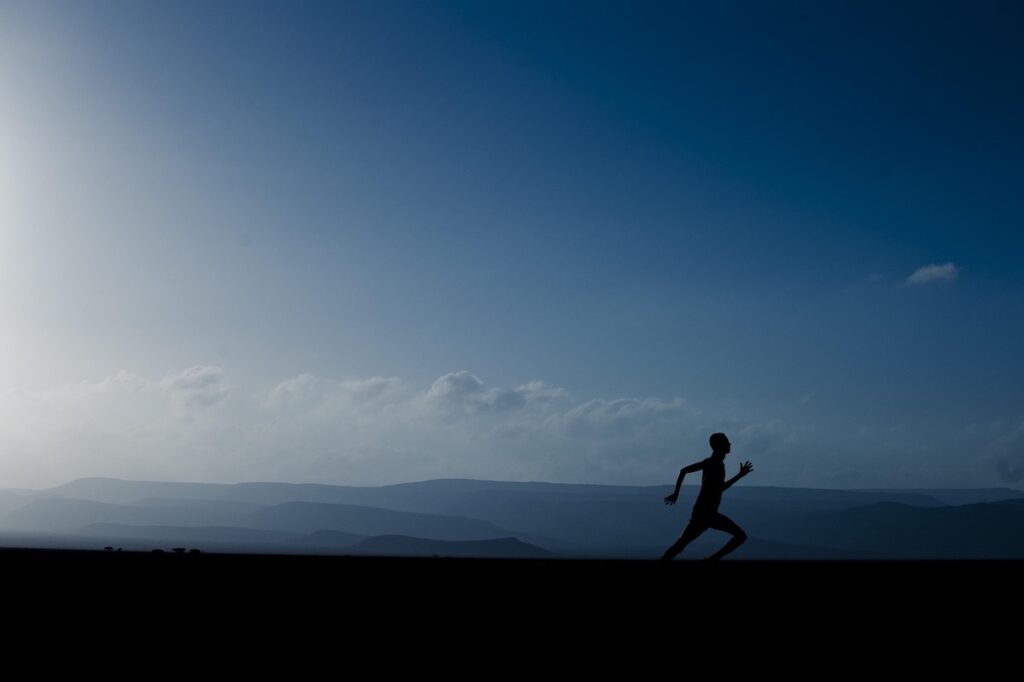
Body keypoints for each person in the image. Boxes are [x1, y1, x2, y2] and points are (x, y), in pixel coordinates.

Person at [660, 432, 753, 561]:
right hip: (706, 514)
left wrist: (676, 493)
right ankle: (712, 560)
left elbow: (683, 471)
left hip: (704, 513)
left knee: (680, 545)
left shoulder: (710, 462)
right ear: (720, 446)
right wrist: (739, 475)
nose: (730, 444)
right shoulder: (715, 464)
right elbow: (720, 488)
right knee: (740, 536)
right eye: (727, 442)